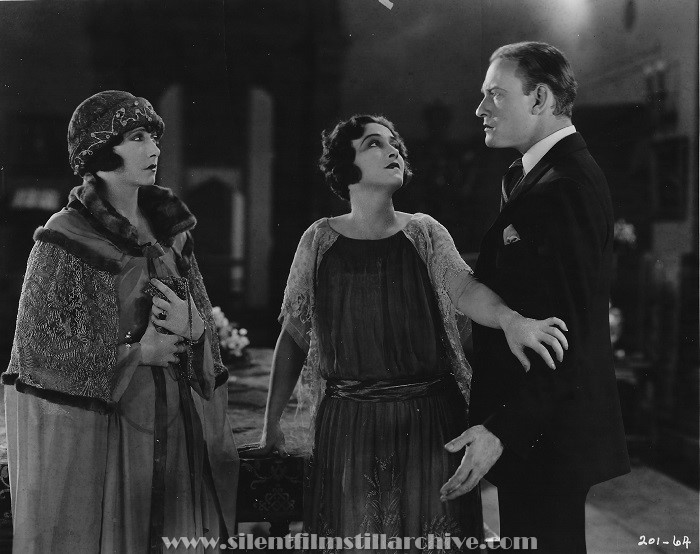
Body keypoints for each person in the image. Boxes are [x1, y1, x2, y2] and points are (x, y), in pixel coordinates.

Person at [250, 114, 569, 547]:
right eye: (374, 144)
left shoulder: (424, 232)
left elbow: (466, 290)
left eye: (394, 143)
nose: (393, 150)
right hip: (349, 425)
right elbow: (293, 336)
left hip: (430, 423)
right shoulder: (319, 241)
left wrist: (511, 319)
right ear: (346, 166)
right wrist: (271, 425)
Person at [3, 90, 238, 552]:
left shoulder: (172, 233)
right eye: (136, 137)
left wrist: (195, 330)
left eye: (154, 136)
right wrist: (139, 352)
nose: (153, 148)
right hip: (111, 435)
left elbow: (202, 329)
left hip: (176, 427)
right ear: (100, 148)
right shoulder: (63, 239)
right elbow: (37, 355)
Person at [441, 42, 630, 553]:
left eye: (495, 95)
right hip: (540, 431)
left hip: (547, 434)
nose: (480, 109)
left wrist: (501, 430)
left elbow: (563, 334)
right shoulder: (535, 174)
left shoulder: (565, 185)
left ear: (541, 97)